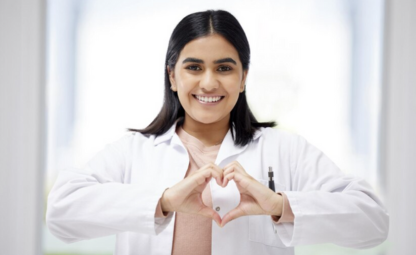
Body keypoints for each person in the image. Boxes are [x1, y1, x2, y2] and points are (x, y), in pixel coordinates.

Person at [46, 9, 389, 255]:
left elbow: (373, 222)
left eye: (224, 68)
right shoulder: (133, 151)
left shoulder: (285, 150)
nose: (209, 82)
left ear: (243, 78)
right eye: (193, 67)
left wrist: (280, 205)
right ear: (172, 76)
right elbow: (61, 213)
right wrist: (162, 202)